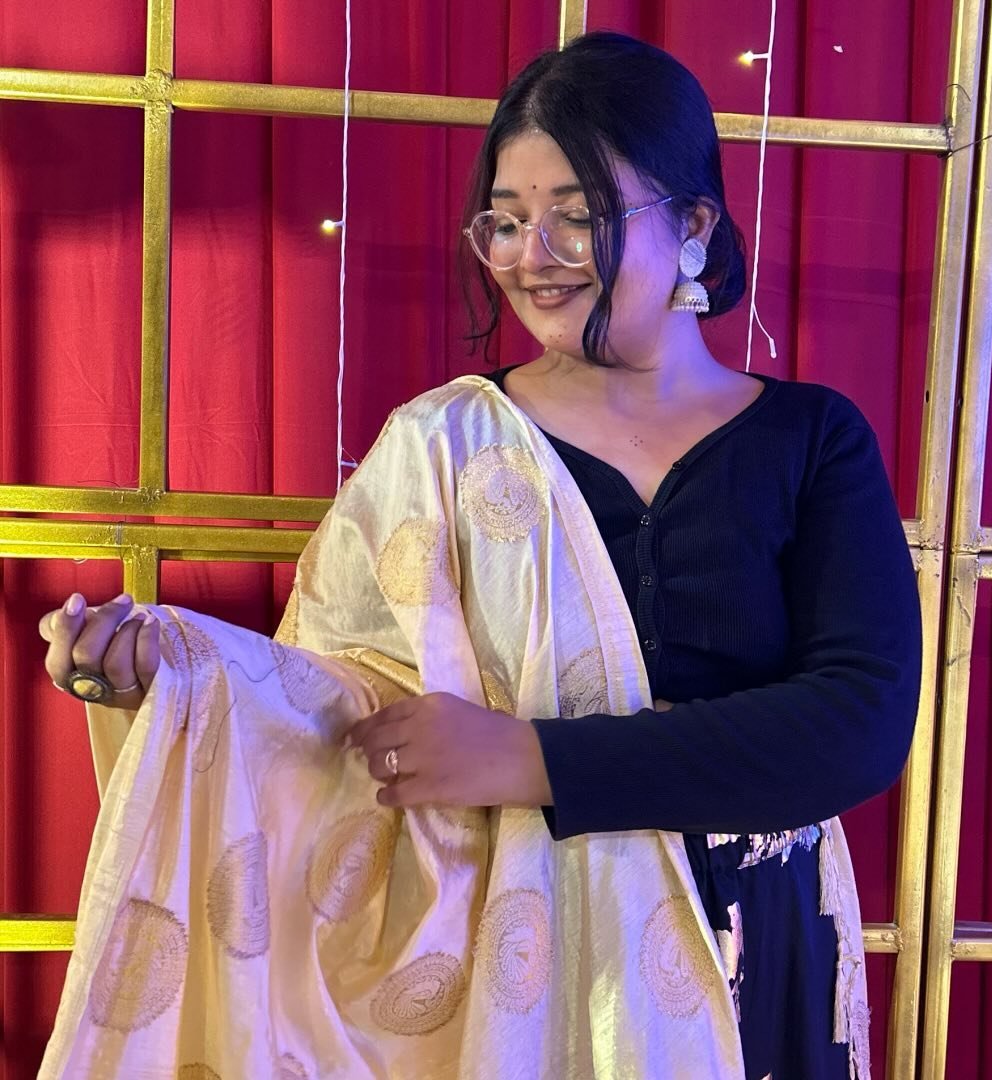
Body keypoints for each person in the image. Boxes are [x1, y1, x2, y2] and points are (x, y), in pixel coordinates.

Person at [38, 31, 919, 1080]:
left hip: (756, 947)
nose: (532, 255)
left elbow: (858, 724)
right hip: (525, 954)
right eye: (506, 220)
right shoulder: (442, 447)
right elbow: (340, 702)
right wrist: (177, 675)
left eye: (578, 216)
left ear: (693, 226)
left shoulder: (811, 439)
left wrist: (532, 760)